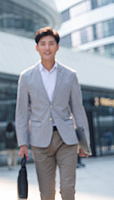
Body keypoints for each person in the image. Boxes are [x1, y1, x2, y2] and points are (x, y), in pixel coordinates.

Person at [15, 27, 90, 200]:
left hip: (67, 139)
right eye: (43, 44)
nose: (47, 48)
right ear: (37, 48)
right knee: (46, 193)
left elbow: (78, 109)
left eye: (51, 44)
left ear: (57, 47)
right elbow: (21, 113)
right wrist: (23, 143)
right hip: (40, 142)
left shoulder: (70, 75)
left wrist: (84, 145)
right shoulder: (26, 77)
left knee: (68, 189)